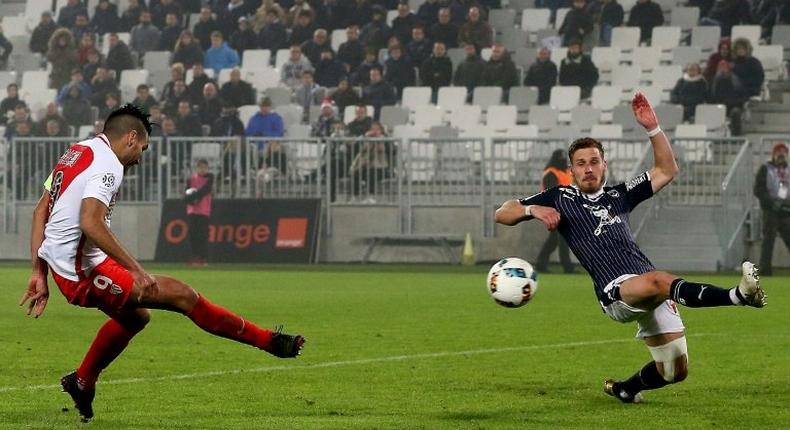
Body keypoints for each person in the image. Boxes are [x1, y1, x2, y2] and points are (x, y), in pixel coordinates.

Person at [22, 105, 305, 423]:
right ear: (131, 138)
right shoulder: (108, 165)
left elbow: (40, 211)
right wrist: (136, 269)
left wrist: (38, 270)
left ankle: (82, 381)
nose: (140, 158)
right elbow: (91, 223)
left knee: (137, 318)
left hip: (71, 264)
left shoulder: (75, 152)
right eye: (142, 148)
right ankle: (268, 341)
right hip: (80, 272)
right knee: (183, 295)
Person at [494, 92, 766, 404]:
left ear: (604, 165)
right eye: (580, 164)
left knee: (674, 371)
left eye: (594, 162)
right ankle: (739, 296)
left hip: (645, 283)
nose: (588, 169)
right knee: (661, 281)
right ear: (571, 170)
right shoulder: (560, 197)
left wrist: (653, 128)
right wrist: (532, 210)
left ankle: (626, 389)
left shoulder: (619, 195)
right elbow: (503, 213)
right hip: (615, 292)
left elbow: (666, 171)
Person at [534, 149, 574, 273]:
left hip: (565, 209)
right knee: (562, 239)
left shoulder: (566, 172)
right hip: (554, 210)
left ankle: (540, 264)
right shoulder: (551, 173)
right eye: (560, 158)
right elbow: (551, 193)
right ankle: (567, 267)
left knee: (554, 240)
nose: (563, 161)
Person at [754, 142, 790, 276]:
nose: (781, 157)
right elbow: (759, 189)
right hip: (770, 210)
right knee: (769, 240)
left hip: (785, 210)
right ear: (774, 155)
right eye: (779, 155)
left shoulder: (787, 170)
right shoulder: (765, 169)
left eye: (783, 155)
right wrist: (771, 203)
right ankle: (765, 269)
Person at [185, 159, 213, 266]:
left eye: (205, 167)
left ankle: (203, 258)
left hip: (204, 211)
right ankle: (195, 257)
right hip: (192, 210)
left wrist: (194, 196)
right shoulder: (191, 179)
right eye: (201, 167)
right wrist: (192, 200)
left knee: (203, 235)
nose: (203, 170)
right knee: (193, 235)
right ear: (197, 168)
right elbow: (186, 194)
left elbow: (205, 190)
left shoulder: (210, 178)